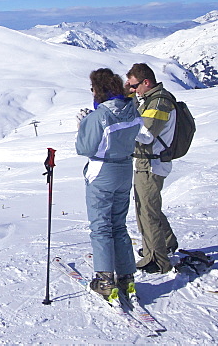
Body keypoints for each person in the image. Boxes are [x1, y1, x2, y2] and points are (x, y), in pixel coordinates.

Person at [76, 68, 153, 300]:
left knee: (101, 226)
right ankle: (127, 276)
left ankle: (105, 280)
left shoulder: (98, 116)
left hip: (102, 172)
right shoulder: (130, 109)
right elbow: (141, 133)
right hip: (123, 170)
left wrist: (83, 126)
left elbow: (85, 148)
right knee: (119, 225)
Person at [126, 63, 179, 274]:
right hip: (147, 162)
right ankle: (164, 243)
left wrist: (124, 124)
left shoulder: (158, 103)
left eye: (135, 85)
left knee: (147, 211)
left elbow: (147, 135)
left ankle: (158, 260)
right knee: (148, 207)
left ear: (146, 82)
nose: (133, 90)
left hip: (151, 163)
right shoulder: (151, 100)